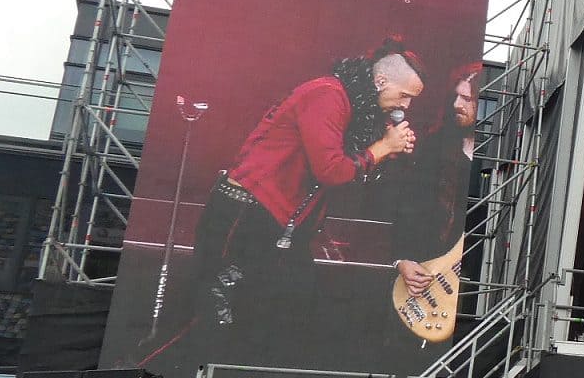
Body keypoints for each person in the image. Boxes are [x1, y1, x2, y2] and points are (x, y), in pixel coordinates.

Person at [180, 40, 422, 340]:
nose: (405, 106)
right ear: (381, 81)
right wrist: (382, 148)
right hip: (245, 214)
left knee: (281, 315)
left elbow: (349, 173)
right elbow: (331, 169)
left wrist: (386, 152)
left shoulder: (352, 107)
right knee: (218, 316)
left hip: (276, 222)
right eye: (404, 95)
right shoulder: (329, 95)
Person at [391, 63, 481, 334]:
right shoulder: (435, 146)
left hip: (474, 278)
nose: (457, 105)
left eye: (467, 99)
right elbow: (406, 205)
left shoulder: (497, 154)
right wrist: (402, 259)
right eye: (455, 96)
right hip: (428, 270)